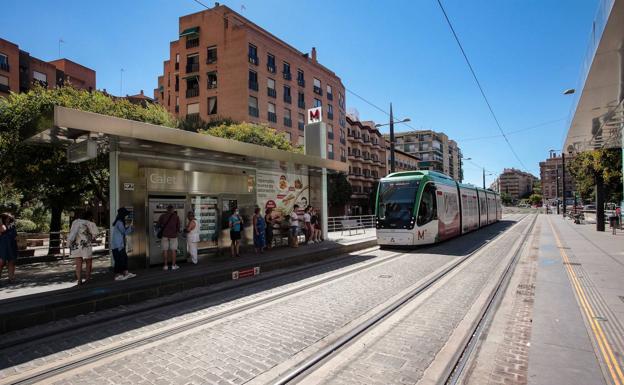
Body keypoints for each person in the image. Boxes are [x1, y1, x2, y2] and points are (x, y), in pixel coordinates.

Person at [67, 211, 99, 285]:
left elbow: (72, 233)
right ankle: (87, 279)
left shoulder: (75, 222)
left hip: (76, 245)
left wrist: (69, 243)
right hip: (86, 245)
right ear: (90, 216)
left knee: (78, 264)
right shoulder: (90, 223)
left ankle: (79, 280)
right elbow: (95, 234)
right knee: (89, 263)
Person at [110, 208, 136, 281]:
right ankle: (117, 275)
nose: (126, 216)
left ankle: (126, 273)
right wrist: (130, 228)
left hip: (117, 244)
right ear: (123, 215)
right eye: (126, 214)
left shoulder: (118, 222)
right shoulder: (120, 222)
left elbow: (122, 231)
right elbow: (124, 232)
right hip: (118, 245)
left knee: (123, 258)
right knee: (119, 260)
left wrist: (128, 227)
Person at [158, 205, 181, 271]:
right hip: (173, 236)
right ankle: (173, 266)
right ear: (173, 210)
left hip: (165, 235)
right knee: (173, 250)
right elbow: (178, 228)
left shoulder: (162, 216)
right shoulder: (176, 217)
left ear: (167, 209)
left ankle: (165, 266)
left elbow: (158, 225)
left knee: (165, 250)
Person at [0, 213, 18, 284]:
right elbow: (3, 230)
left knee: (11, 262)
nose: (9, 219)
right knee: (1, 263)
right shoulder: (1, 226)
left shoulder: (12, 226)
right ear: (4, 218)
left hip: (12, 245)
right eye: (8, 217)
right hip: (2, 246)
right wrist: (1, 222)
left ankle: (11, 278)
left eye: (10, 218)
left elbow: (15, 236)